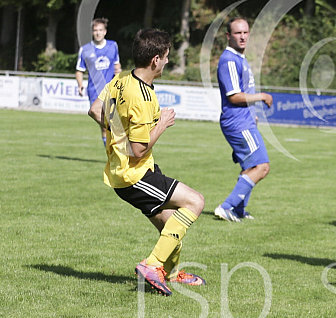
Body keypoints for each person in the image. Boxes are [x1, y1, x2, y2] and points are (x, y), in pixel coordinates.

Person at [88, 29, 205, 296]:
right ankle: (152, 266)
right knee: (195, 202)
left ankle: (172, 274)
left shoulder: (121, 79)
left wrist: (116, 134)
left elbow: (95, 109)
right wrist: (162, 123)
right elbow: (138, 150)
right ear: (155, 59)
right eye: (166, 57)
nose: (167, 62)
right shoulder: (143, 97)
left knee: (170, 224)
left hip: (131, 171)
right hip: (134, 175)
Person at [214, 17, 273, 222]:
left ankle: (238, 210)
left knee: (250, 167)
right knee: (262, 167)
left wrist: (253, 114)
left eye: (245, 32)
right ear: (228, 36)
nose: (243, 36)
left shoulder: (240, 58)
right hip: (237, 122)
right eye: (238, 33)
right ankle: (226, 207)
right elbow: (234, 96)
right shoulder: (229, 60)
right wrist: (262, 96)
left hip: (244, 119)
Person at [77, 18, 121, 145]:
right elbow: (79, 70)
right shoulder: (85, 49)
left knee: (112, 120)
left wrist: (120, 77)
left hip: (112, 90)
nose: (98, 33)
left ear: (105, 32)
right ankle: (110, 153)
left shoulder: (113, 46)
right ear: (92, 32)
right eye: (95, 30)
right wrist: (80, 85)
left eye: (100, 30)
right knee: (103, 125)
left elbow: (117, 65)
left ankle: (116, 149)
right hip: (94, 91)